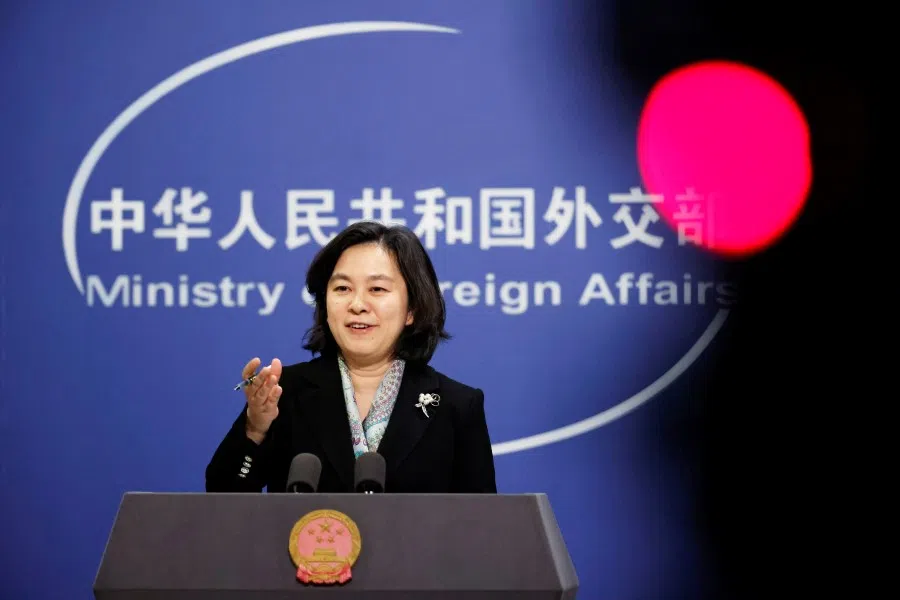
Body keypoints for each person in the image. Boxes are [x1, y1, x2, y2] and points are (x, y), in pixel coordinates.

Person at [205, 221, 497, 494]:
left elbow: (482, 522)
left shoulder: (457, 406)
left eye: (377, 289)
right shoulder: (285, 392)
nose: (357, 304)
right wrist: (255, 428)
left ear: (412, 310)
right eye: (342, 288)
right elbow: (222, 498)